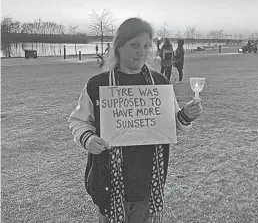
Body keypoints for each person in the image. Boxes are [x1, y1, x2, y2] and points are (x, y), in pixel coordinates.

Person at [68, 17, 203, 223]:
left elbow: (171, 124)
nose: (142, 51)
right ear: (119, 47)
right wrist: (88, 139)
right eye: (135, 45)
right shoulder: (98, 84)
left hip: (147, 182)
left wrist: (185, 115)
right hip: (108, 182)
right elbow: (78, 121)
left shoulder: (159, 83)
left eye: (147, 45)